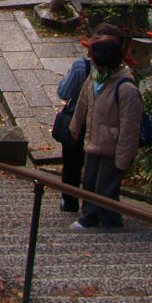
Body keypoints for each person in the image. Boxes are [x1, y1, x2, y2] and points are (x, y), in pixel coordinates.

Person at [67, 24, 142, 230]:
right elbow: (83, 100)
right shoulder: (95, 76)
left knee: (106, 188)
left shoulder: (126, 88)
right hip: (94, 140)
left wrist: (124, 157)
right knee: (89, 181)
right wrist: (76, 124)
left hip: (112, 147)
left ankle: (111, 223)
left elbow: (130, 126)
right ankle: (88, 217)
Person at [54, 36, 91, 213]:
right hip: (103, 128)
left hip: (78, 121)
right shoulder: (123, 73)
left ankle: (70, 202)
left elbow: (64, 92)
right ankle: (92, 208)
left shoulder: (80, 67)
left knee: (71, 165)